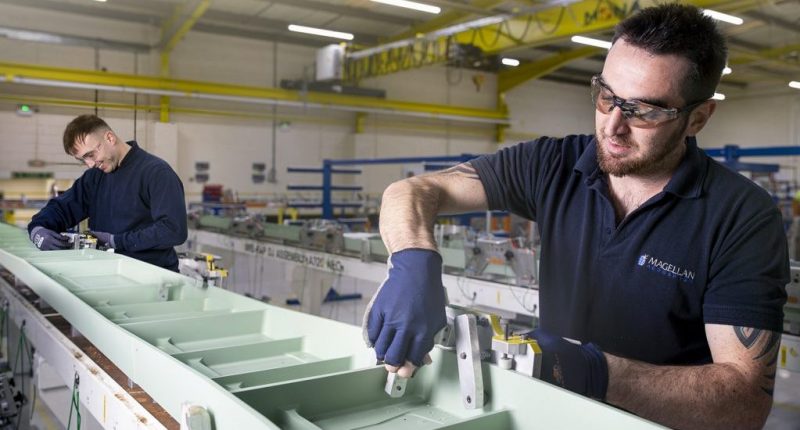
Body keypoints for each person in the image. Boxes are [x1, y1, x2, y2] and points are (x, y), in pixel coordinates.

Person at [363, 4, 788, 429]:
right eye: (606, 97)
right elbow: (414, 190)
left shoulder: (741, 216)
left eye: (645, 111)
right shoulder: (553, 163)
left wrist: (594, 372)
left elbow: (744, 403)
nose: (613, 125)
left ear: (697, 117)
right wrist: (413, 260)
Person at [28, 115, 187, 272]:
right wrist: (38, 229)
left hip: (152, 278)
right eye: (83, 160)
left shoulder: (156, 173)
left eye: (90, 155)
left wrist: (116, 241)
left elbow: (173, 230)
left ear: (110, 138)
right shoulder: (95, 177)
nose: (90, 165)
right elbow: (62, 208)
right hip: (106, 273)